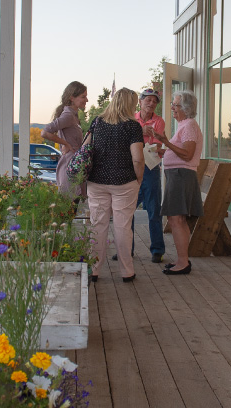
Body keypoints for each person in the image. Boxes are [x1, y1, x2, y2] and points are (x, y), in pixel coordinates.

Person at [86, 88, 145, 282]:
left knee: (98, 225)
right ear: (129, 104)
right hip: (124, 182)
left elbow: (85, 149)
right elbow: (137, 158)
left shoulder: (97, 122)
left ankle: (94, 270)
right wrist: (139, 179)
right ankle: (127, 271)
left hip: (96, 181)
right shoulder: (132, 126)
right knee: (122, 227)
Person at [151, 90, 203, 275]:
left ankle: (183, 262)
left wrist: (165, 141)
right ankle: (182, 260)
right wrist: (166, 151)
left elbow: (188, 154)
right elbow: (182, 151)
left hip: (181, 176)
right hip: (179, 175)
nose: (172, 107)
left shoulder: (188, 125)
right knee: (177, 219)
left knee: (176, 219)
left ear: (186, 108)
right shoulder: (184, 125)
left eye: (175, 105)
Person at [128, 88, 166, 263]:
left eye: (155, 101)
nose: (151, 103)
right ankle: (127, 248)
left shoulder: (159, 121)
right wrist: (144, 134)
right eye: (148, 100)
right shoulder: (130, 118)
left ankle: (157, 249)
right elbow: (129, 141)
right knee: (127, 210)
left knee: (153, 210)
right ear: (140, 101)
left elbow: (155, 145)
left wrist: (140, 136)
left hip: (150, 168)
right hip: (131, 167)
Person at [42, 81, 88, 198]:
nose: (86, 100)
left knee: (70, 210)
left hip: (74, 166)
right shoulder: (68, 116)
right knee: (67, 210)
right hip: (69, 167)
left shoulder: (73, 115)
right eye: (83, 96)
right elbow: (45, 132)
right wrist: (65, 144)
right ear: (72, 98)